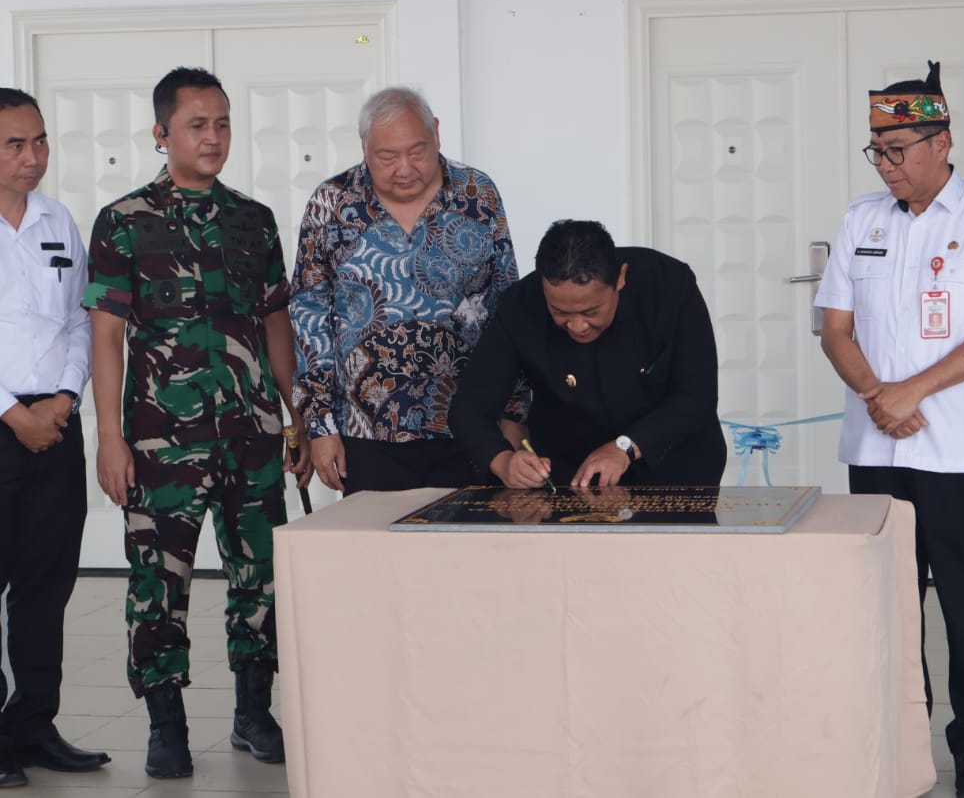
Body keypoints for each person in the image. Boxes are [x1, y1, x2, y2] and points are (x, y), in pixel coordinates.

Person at [82, 66, 311, 779]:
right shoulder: (124, 222)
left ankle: (253, 713)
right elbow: (106, 337)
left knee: (260, 578)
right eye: (197, 125)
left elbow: (275, 321)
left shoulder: (254, 220)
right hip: (161, 442)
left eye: (222, 124)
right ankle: (166, 725)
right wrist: (110, 438)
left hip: (252, 434)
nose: (213, 137)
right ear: (162, 133)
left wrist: (296, 412)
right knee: (158, 584)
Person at [814, 61, 964, 798]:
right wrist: (878, 395)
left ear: (942, 142)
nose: (886, 164)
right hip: (876, 446)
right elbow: (835, 328)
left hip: (961, 452)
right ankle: (904, 739)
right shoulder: (862, 219)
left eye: (898, 149)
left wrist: (911, 391)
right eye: (876, 150)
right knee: (889, 600)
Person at [291, 86, 527, 494]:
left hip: (469, 425)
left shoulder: (478, 194)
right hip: (366, 431)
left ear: (436, 132)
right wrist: (320, 425)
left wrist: (514, 411)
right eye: (387, 157)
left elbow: (508, 303)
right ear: (364, 147)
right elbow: (309, 315)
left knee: (466, 534)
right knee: (375, 537)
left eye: (417, 152)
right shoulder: (331, 203)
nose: (404, 169)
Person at [0, 88, 110, 787]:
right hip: (3, 421)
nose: (33, 156)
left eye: (39, 140)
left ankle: (34, 726)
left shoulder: (57, 219)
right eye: (15, 144)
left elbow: (79, 319)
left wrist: (66, 399)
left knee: (47, 582)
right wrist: (15, 414)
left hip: (56, 423)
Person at [450, 219, 727, 488]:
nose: (578, 326)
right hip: (572, 478)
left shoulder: (669, 285)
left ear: (620, 278)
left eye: (591, 311)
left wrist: (625, 447)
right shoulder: (521, 305)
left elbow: (696, 396)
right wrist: (503, 462)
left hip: (674, 472)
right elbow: (470, 408)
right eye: (560, 312)